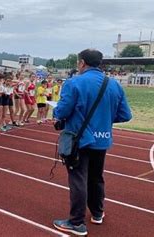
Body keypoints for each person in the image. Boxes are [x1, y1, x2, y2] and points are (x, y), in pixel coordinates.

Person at [52, 49, 132, 236]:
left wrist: (57, 114)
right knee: (96, 177)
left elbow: (62, 111)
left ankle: (77, 222)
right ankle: (97, 213)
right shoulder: (114, 85)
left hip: (79, 140)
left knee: (78, 179)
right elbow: (125, 115)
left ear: (81, 63)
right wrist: (104, 121)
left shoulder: (73, 83)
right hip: (102, 139)